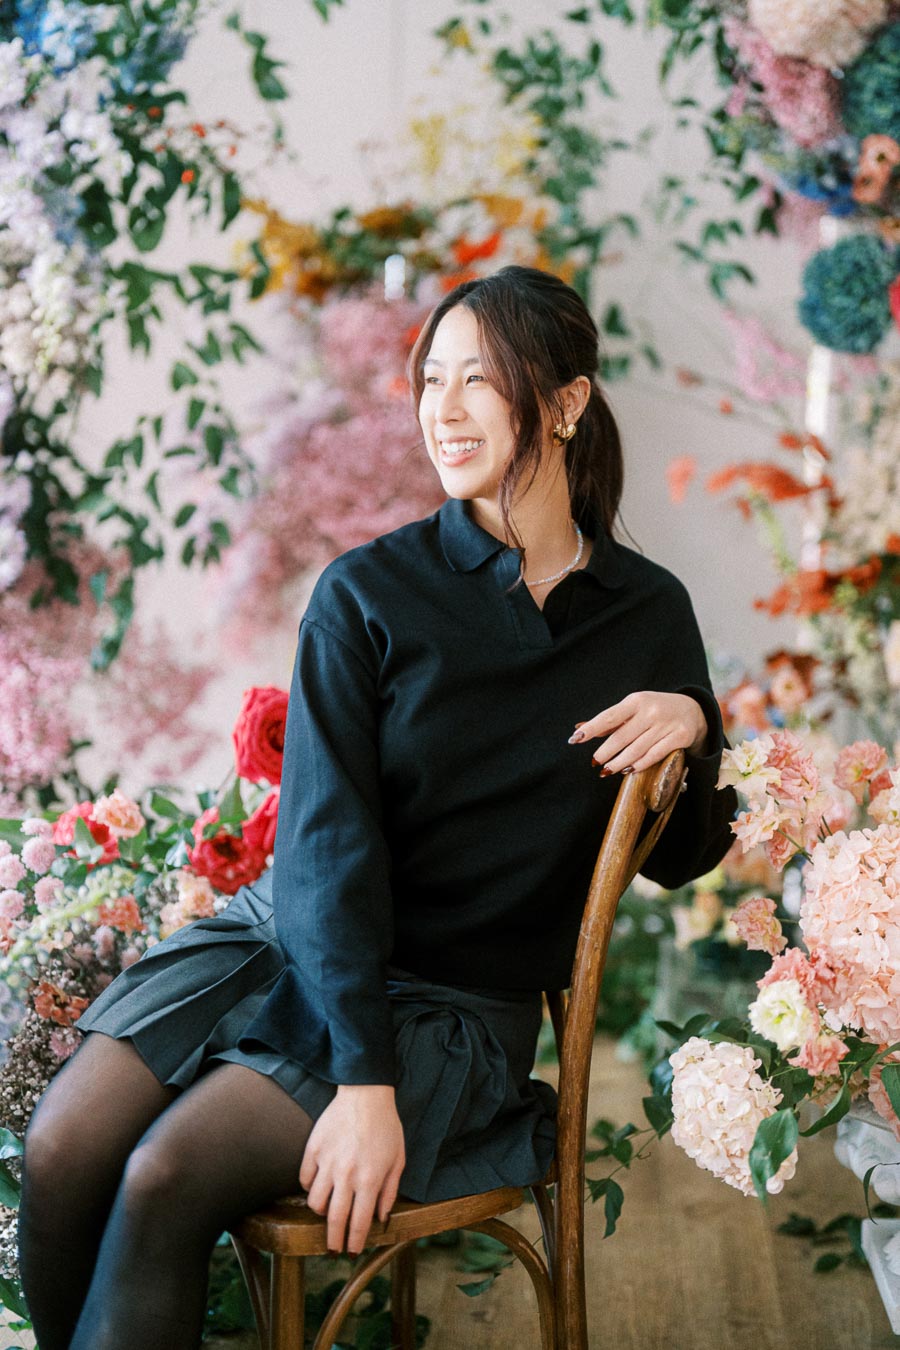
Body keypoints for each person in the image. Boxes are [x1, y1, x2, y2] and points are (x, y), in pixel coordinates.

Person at [16, 265, 738, 1350]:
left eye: (477, 381)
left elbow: (677, 858)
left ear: (568, 401)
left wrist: (694, 725)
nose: (441, 412)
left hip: (448, 1004)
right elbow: (324, 847)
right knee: (66, 1142)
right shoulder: (368, 593)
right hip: (287, 938)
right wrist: (360, 1079)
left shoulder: (646, 613)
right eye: (429, 381)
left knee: (167, 1174)